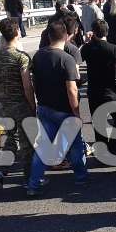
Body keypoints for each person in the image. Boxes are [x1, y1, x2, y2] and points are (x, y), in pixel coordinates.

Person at [26, 19, 89, 197]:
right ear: (66, 36)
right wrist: (76, 112)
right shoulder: (66, 59)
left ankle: (34, 184)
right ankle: (81, 177)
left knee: (42, 149)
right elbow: (71, 89)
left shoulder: (38, 55)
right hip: (64, 110)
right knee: (76, 146)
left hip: (45, 107)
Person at [0, 18, 36, 190]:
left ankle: (0, 171)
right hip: (21, 104)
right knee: (27, 144)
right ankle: (29, 180)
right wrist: (32, 106)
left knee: (9, 142)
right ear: (16, 33)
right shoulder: (21, 57)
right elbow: (27, 86)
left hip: (4, 105)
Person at [81, 19, 116, 150]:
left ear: (93, 32)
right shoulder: (113, 48)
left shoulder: (87, 48)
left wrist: (86, 41)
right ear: (107, 31)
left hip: (93, 90)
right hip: (110, 89)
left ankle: (102, 149)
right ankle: (115, 147)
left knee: (98, 123)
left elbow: (77, 57)